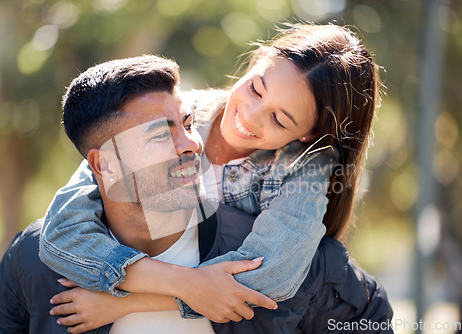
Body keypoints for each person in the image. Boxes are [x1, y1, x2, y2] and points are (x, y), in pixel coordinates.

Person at [39, 22, 385, 327]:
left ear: (310, 133)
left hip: (346, 312)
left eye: (279, 119)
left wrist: (127, 302)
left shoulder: (307, 164)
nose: (250, 116)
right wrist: (180, 283)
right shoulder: (171, 115)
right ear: (255, 62)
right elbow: (64, 230)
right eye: (255, 88)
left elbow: (272, 274)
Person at [0, 55, 278, 334]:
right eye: (161, 136)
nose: (191, 144)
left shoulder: (255, 247)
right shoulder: (31, 261)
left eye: (188, 125)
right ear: (105, 164)